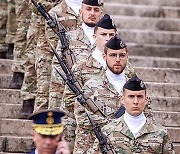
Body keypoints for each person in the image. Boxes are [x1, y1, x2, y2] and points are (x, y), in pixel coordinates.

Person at [90, 76, 175, 154]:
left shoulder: (161, 133)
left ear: (146, 100)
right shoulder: (107, 132)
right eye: (131, 96)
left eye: (139, 97)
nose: (135, 102)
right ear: (122, 99)